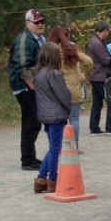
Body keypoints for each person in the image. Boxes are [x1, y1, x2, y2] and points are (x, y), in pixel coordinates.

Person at [8, 8, 46, 169]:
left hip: (34, 85)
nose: (40, 24)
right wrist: (33, 88)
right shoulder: (24, 39)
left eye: (42, 21)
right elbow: (22, 67)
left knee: (34, 122)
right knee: (31, 122)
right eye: (36, 22)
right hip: (25, 87)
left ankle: (30, 157)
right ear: (27, 23)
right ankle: (27, 159)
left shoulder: (39, 39)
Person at [31, 42, 71, 193]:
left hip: (45, 114)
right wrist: (69, 108)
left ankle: (41, 178)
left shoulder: (39, 73)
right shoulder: (54, 74)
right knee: (56, 148)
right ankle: (52, 179)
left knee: (53, 146)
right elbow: (63, 94)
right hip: (56, 114)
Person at [46, 25, 93, 153]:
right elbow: (89, 61)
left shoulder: (50, 51)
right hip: (73, 87)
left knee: (59, 120)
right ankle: (74, 147)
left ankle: (59, 146)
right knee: (74, 118)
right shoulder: (71, 49)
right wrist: (85, 75)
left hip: (57, 88)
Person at [86, 19, 111, 134]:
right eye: (107, 32)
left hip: (95, 76)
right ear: (104, 31)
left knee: (97, 102)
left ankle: (94, 127)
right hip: (100, 77)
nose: (107, 34)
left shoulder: (96, 41)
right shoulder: (96, 43)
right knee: (110, 100)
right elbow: (105, 60)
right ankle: (110, 127)